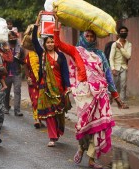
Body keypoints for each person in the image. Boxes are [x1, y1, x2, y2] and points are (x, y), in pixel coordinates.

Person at [53, 14, 127, 168]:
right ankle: (81, 148)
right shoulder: (76, 51)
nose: (90, 37)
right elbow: (58, 44)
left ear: (95, 39)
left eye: (92, 36)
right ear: (83, 36)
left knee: (98, 127)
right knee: (83, 126)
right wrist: (56, 28)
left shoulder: (100, 55)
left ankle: (92, 159)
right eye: (87, 35)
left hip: (100, 94)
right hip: (84, 95)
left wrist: (117, 97)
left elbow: (108, 77)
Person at [32, 12, 72, 147]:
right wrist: (38, 19)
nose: (50, 44)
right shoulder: (42, 54)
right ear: (45, 43)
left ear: (55, 43)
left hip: (59, 88)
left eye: (52, 41)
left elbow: (65, 73)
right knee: (49, 114)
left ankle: (58, 131)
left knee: (58, 113)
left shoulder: (61, 56)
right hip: (45, 87)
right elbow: (33, 39)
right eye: (48, 42)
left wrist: (68, 87)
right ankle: (52, 136)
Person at [4, 31, 25, 116]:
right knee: (6, 92)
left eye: (13, 36)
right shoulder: (5, 48)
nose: (12, 38)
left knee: (17, 91)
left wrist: (17, 58)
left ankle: (17, 110)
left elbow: (23, 61)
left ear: (16, 37)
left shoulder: (20, 48)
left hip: (17, 72)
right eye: (10, 37)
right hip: (6, 73)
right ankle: (6, 108)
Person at [109, 26, 132, 102]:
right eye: (121, 32)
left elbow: (128, 56)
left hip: (124, 67)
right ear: (119, 33)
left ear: (127, 33)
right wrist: (112, 68)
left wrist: (121, 48)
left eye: (125, 31)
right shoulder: (115, 44)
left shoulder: (129, 44)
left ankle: (122, 102)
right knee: (114, 85)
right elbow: (111, 58)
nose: (123, 33)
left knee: (123, 85)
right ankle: (110, 98)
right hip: (115, 67)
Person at [24, 50, 44, 128]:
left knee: (41, 101)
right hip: (33, 81)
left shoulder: (43, 53)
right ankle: (37, 119)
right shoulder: (29, 55)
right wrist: (28, 77)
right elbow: (25, 65)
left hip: (43, 81)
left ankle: (41, 119)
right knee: (35, 101)